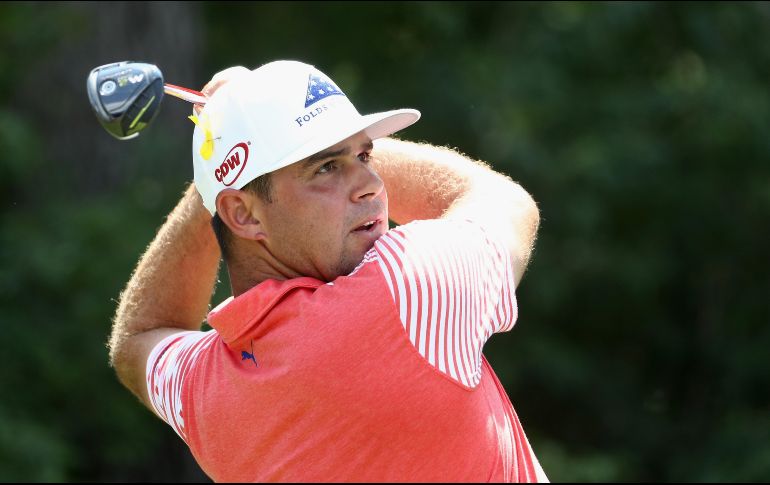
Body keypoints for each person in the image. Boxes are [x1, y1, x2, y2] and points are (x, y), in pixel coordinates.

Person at [109, 60, 547, 482]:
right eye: (326, 167)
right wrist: (226, 149)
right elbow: (500, 199)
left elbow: (139, 338)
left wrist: (217, 164)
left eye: (365, 156)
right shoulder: (405, 287)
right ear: (243, 215)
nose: (373, 184)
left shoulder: (206, 389)